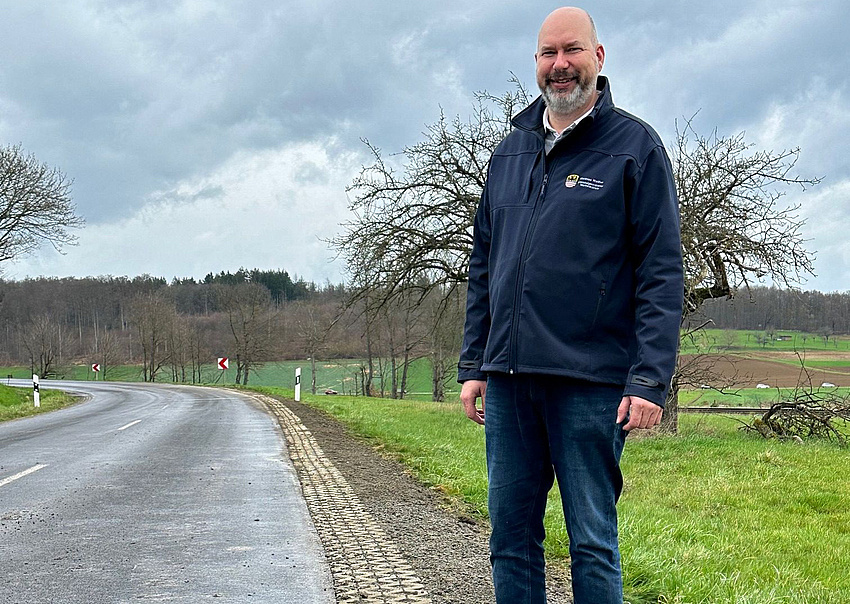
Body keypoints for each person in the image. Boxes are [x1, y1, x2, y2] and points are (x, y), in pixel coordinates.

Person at [457, 7, 684, 603]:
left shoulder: (635, 149)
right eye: (548, 53)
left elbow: (661, 273)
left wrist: (650, 378)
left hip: (592, 383)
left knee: (590, 542)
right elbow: (485, 267)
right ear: (535, 63)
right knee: (509, 538)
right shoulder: (508, 153)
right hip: (508, 380)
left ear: (599, 58)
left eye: (572, 51)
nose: (560, 65)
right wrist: (474, 365)